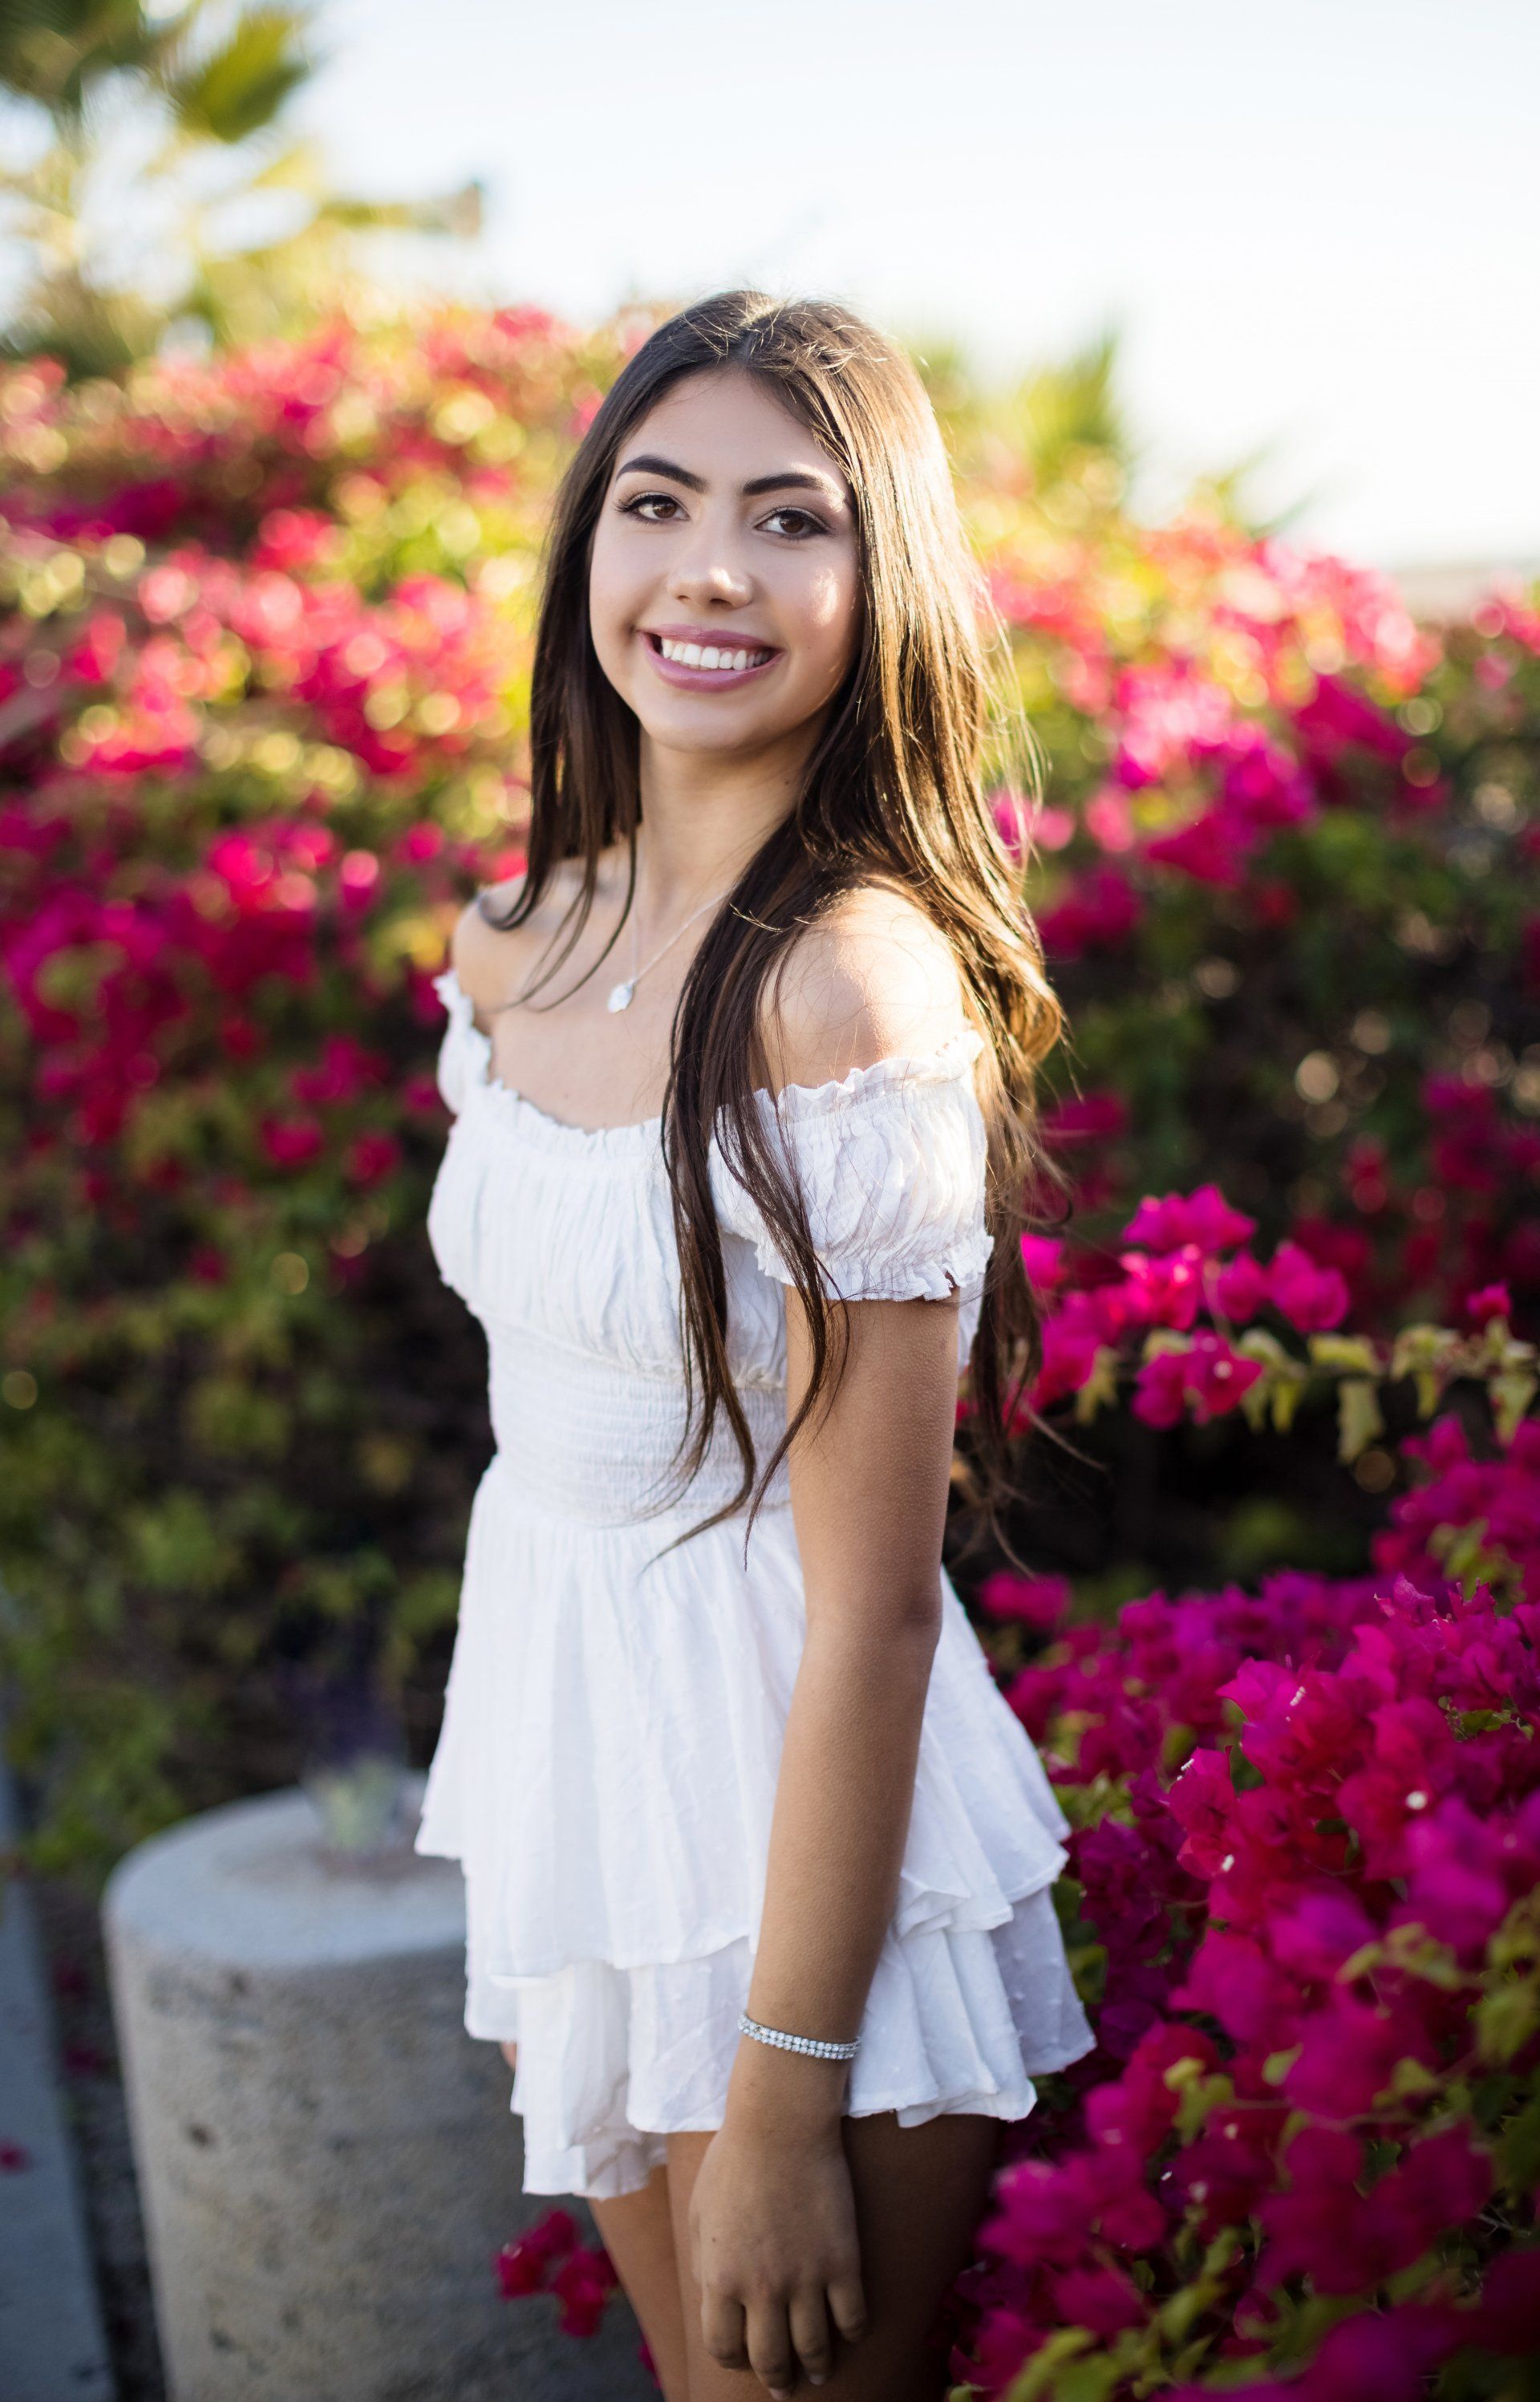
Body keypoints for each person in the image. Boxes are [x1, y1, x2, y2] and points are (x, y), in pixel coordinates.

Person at [415, 290, 1093, 2402]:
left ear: (879, 581)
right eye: (658, 501)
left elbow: (877, 1607)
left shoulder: (847, 992)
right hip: (575, 1749)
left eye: (790, 518)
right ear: (587, 549)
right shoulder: (520, 932)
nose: (710, 566)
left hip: (797, 1834)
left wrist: (785, 2094)